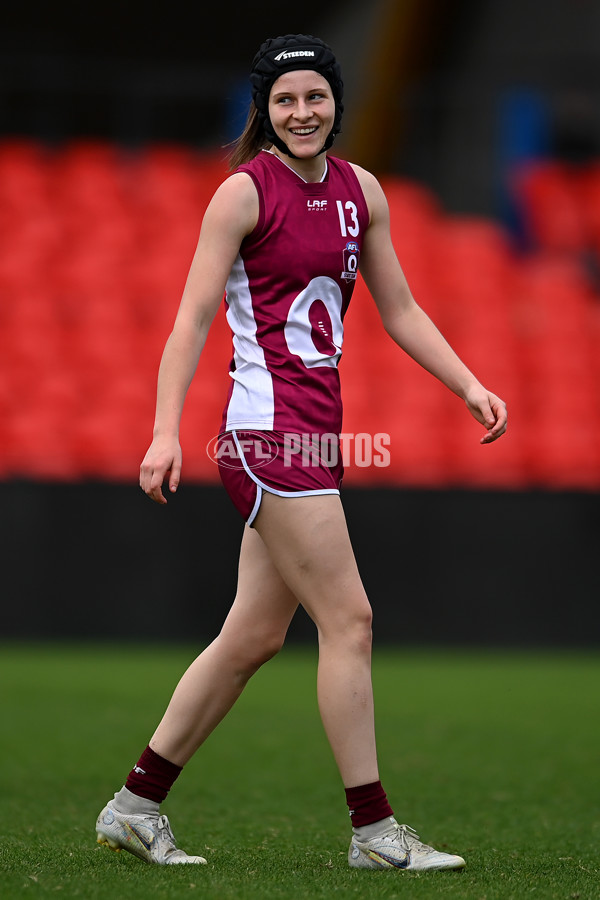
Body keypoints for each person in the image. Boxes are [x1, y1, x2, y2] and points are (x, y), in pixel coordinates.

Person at [95, 33, 507, 872]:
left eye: (315, 96)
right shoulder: (242, 195)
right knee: (349, 621)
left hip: (318, 437)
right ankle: (374, 832)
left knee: (249, 639)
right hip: (265, 436)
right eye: (284, 100)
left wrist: (467, 383)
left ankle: (134, 807)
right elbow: (191, 319)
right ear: (265, 111)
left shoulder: (362, 190)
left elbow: (400, 308)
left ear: (336, 103)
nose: (302, 112)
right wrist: (165, 431)